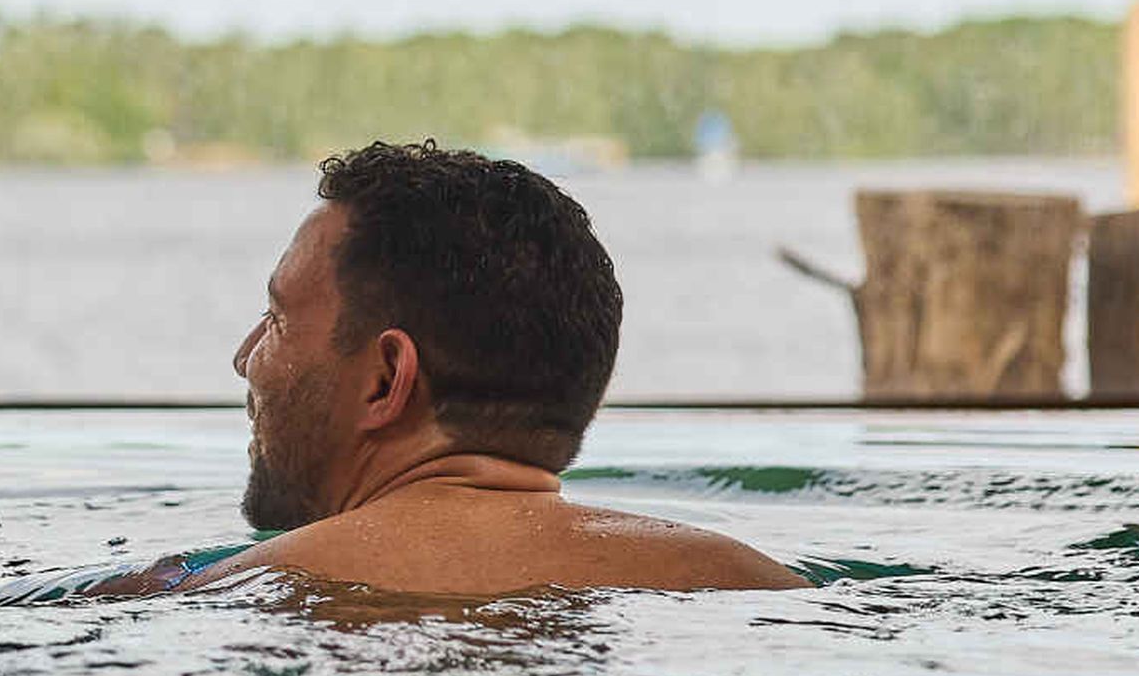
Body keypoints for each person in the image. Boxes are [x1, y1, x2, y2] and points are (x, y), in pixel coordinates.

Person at [161, 139, 797, 604]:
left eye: (275, 319)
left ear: (386, 379)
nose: (244, 359)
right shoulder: (763, 588)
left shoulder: (222, 591)